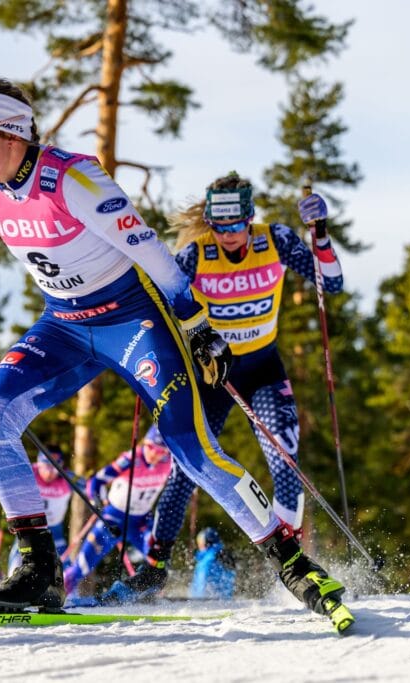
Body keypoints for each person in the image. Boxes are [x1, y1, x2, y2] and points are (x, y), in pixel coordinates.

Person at [0, 77, 349, 627]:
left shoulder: (71, 178)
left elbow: (148, 247)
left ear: (11, 131)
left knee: (188, 447)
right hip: (65, 325)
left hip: (133, 318)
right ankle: (37, 568)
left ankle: (292, 562)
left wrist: (195, 323)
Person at [117, 173, 343, 596]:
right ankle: (155, 566)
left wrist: (321, 235)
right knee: (189, 469)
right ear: (210, 224)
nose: (230, 235)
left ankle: (291, 569)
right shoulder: (196, 254)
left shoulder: (273, 240)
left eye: (237, 224)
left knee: (284, 459)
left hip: (262, 370)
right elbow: (160, 303)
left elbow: (330, 282)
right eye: (220, 227)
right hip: (212, 375)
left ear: (250, 216)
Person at [63, 425, 172, 600]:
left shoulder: (168, 462)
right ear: (145, 443)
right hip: (114, 519)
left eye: (161, 451)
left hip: (141, 522)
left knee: (158, 559)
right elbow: (96, 481)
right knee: (82, 565)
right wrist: (96, 500)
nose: (155, 454)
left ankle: (147, 597)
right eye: (151, 447)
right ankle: (56, 594)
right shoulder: (131, 459)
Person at [6, 447, 71, 575]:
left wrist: (94, 493)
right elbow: (4, 477)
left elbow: (89, 485)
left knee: (64, 563)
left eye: (54, 467)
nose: (50, 473)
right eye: (46, 467)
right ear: (39, 464)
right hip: (29, 527)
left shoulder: (67, 478)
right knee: (19, 556)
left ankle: (69, 590)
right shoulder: (28, 472)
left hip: (54, 529)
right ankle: (12, 580)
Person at [189, 527, 237, 599]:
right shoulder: (220, 554)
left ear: (207, 542)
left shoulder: (210, 559)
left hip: (208, 602)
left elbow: (203, 583)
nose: (199, 544)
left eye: (200, 541)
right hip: (221, 600)